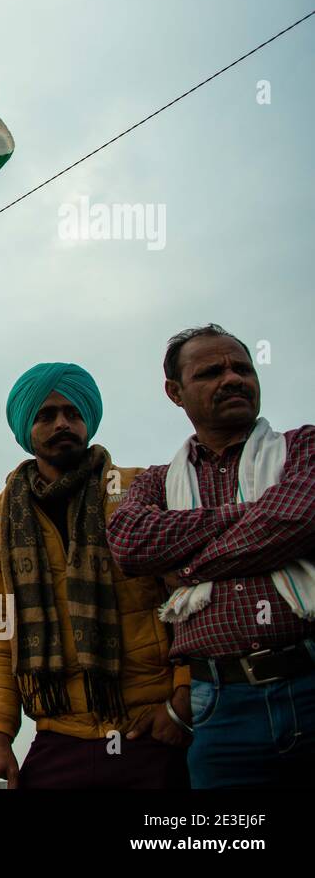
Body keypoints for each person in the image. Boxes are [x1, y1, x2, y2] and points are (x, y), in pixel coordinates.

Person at [108, 324, 315, 787]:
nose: (233, 379)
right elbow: (130, 542)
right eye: (212, 372)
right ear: (175, 393)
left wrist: (186, 565)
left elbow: (295, 521)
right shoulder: (159, 482)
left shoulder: (303, 447)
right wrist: (250, 513)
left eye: (243, 368)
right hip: (219, 706)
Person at [0, 362, 189, 789]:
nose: (62, 423)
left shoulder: (140, 491)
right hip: (59, 733)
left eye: (72, 413)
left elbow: (186, 603)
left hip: (150, 725)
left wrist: (183, 703)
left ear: (89, 418)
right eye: (46, 415)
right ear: (25, 427)